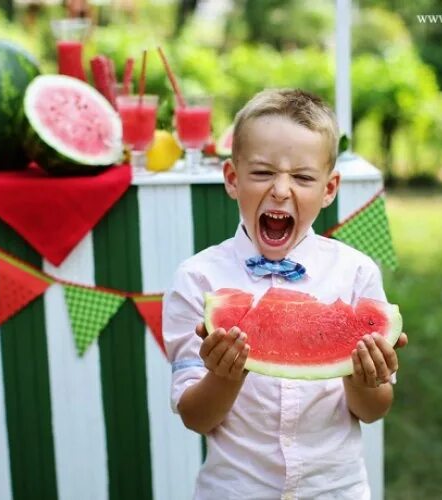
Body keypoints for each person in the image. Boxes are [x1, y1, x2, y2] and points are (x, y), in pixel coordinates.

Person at [163, 88, 408, 500]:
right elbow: (196, 417)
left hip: (336, 492)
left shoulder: (355, 273)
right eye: (262, 172)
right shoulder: (198, 280)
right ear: (231, 179)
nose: (280, 190)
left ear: (329, 189)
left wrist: (366, 380)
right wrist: (225, 377)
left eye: (303, 177)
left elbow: (373, 409)